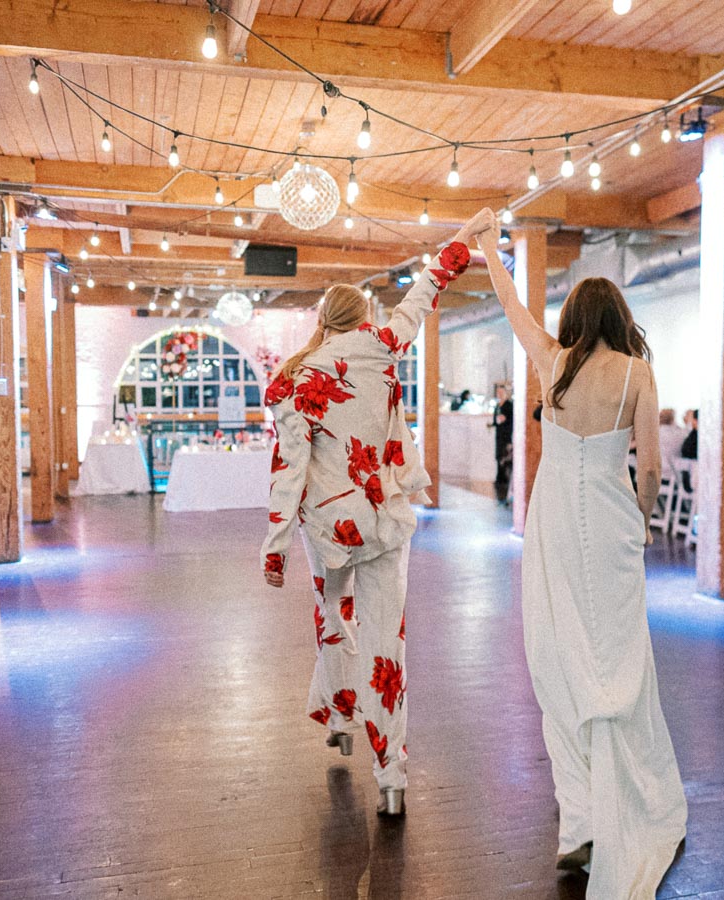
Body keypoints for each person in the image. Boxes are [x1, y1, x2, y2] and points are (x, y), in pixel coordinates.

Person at [478, 220, 687, 896]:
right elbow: (650, 469)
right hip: (612, 518)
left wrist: (489, 244)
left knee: (563, 652)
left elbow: (511, 304)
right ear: (620, 318)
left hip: (556, 523)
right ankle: (619, 803)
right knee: (618, 651)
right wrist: (646, 521)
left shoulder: (551, 361)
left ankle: (582, 820)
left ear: (573, 317)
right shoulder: (638, 373)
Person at [260, 210, 492, 818]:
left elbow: (289, 470)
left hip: (327, 526)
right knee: (387, 645)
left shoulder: (292, 382)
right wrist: (463, 238)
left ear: (321, 321)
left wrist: (274, 546)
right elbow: (425, 291)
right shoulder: (384, 346)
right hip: (385, 515)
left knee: (334, 618)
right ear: (364, 317)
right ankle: (391, 776)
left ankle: (340, 717)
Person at [491, 385, 514, 505]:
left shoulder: (509, 405)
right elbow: (495, 420)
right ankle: (499, 477)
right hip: (499, 434)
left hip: (506, 435)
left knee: (505, 456)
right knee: (499, 455)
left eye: (501, 392)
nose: (499, 394)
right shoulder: (498, 405)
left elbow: (511, 420)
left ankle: (504, 479)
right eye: (498, 392)